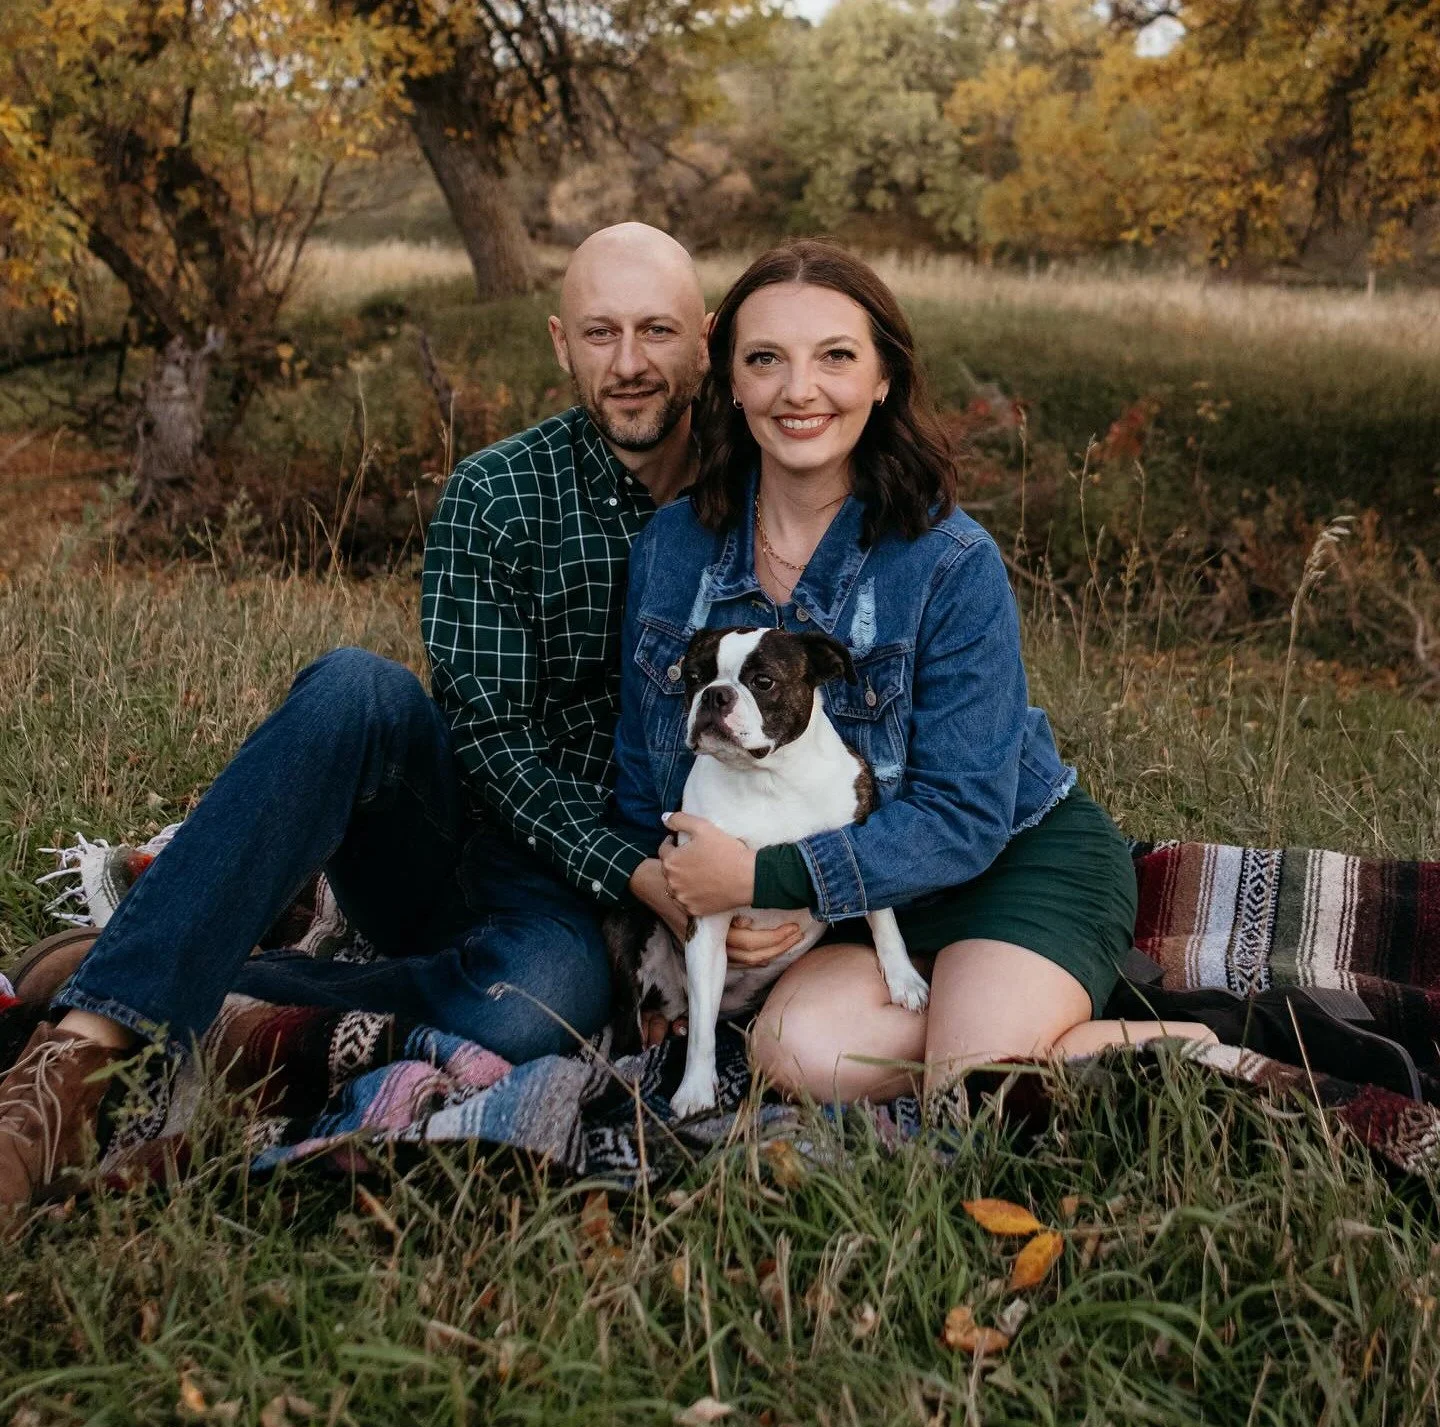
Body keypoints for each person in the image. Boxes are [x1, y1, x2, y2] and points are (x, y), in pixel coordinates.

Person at [0, 222, 795, 1223]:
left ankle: (172, 965)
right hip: (473, 842)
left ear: (706, 337)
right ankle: (70, 1062)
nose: (629, 364)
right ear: (560, 343)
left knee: (539, 1011)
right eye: (600, 335)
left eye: (656, 331)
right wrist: (640, 875)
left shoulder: (758, 500)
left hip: (598, 918)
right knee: (354, 687)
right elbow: (493, 746)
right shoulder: (499, 494)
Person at [614, 239, 1217, 1104]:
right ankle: (1024, 1009)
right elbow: (647, 779)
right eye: (765, 360)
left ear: (883, 377)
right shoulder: (675, 551)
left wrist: (764, 881)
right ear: (731, 379)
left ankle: (1203, 1039)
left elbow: (967, 814)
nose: (799, 390)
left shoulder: (946, 560)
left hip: (1007, 861)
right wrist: (686, 906)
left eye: (836, 356)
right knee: (797, 1056)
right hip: (861, 916)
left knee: (973, 1088)